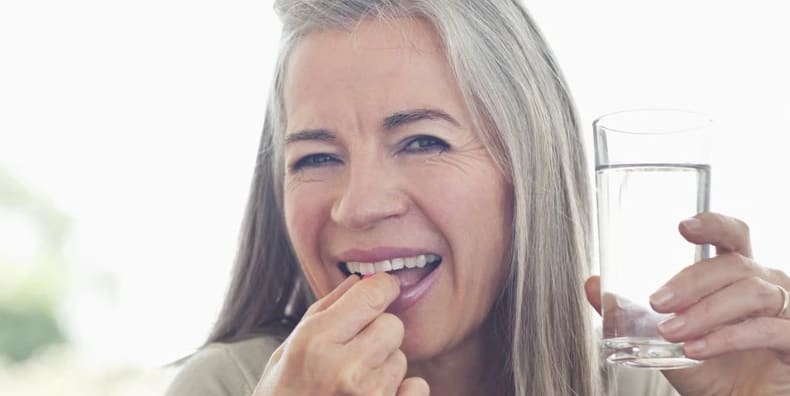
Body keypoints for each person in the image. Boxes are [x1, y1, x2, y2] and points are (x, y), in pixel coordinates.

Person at [165, 1, 790, 395]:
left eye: (422, 142)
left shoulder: (645, 386)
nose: (357, 207)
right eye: (318, 158)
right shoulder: (227, 388)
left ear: (530, 173)